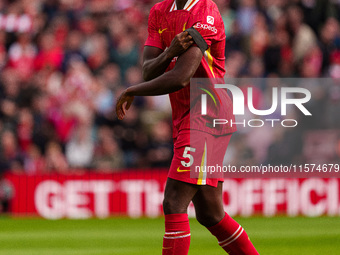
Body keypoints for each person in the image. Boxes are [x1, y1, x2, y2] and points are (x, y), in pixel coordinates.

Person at [116, 0, 259, 254]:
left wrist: (131, 90)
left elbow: (181, 77)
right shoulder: (159, 12)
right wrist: (169, 52)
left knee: (173, 201)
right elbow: (148, 70)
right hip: (186, 117)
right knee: (210, 213)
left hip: (208, 115)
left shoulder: (206, 12)